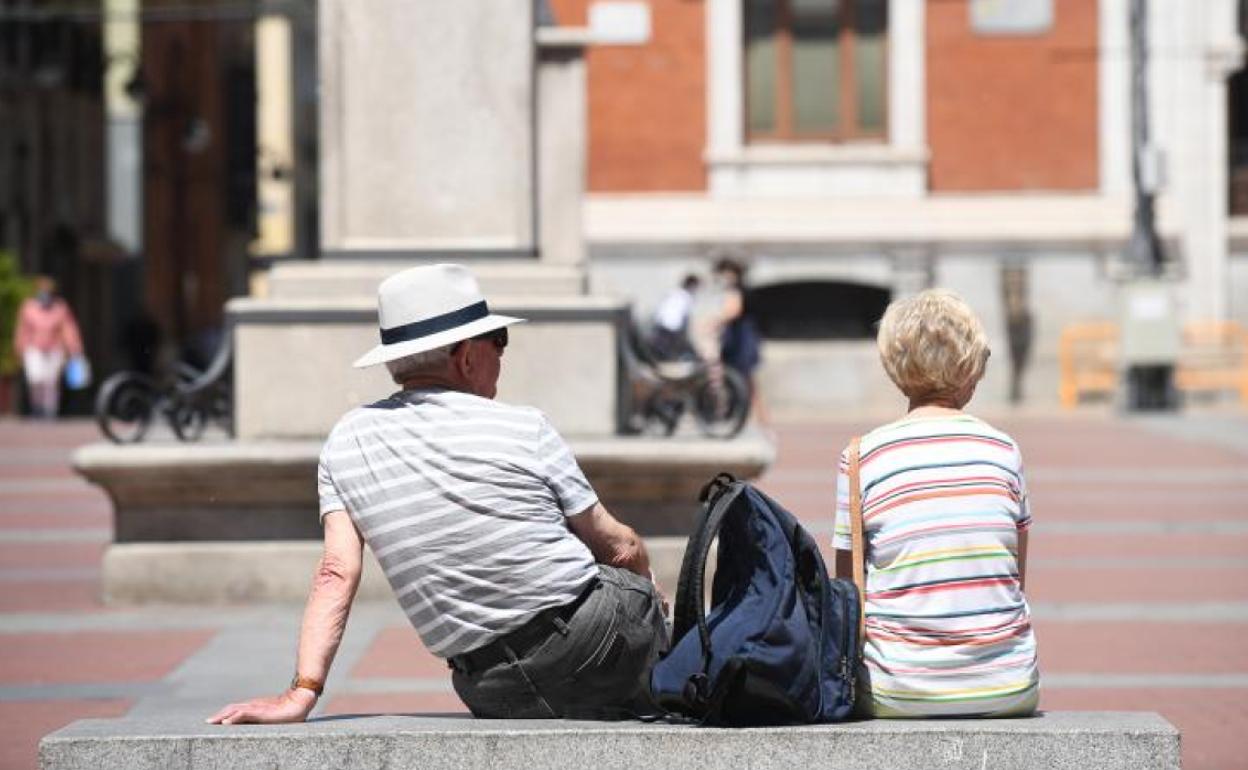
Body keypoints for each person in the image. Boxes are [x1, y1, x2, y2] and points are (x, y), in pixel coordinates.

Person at [208, 264, 669, 725]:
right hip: (590, 640)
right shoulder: (522, 426)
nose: (503, 357)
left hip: (488, 685)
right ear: (465, 357)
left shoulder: (346, 440)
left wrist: (301, 692)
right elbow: (620, 547)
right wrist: (648, 594)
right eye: (499, 342)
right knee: (652, 602)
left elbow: (336, 571)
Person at [832, 289, 1038, 718]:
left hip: (898, 687)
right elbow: (1017, 577)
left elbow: (847, 592)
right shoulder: (1003, 450)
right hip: (1009, 680)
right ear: (970, 367)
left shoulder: (862, 457)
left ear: (894, 364)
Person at [13, 275, 83, 419]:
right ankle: (37, 407)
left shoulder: (60, 308)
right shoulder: (28, 307)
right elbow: (22, 329)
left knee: (51, 382)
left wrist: (74, 348)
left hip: (54, 349)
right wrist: (19, 347)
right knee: (36, 379)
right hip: (34, 349)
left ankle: (49, 411)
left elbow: (68, 329)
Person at [648, 274, 700, 361]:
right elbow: (684, 316)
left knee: (663, 348)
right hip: (673, 326)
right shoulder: (687, 297)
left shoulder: (673, 292)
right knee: (670, 349)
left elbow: (660, 309)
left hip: (662, 324)